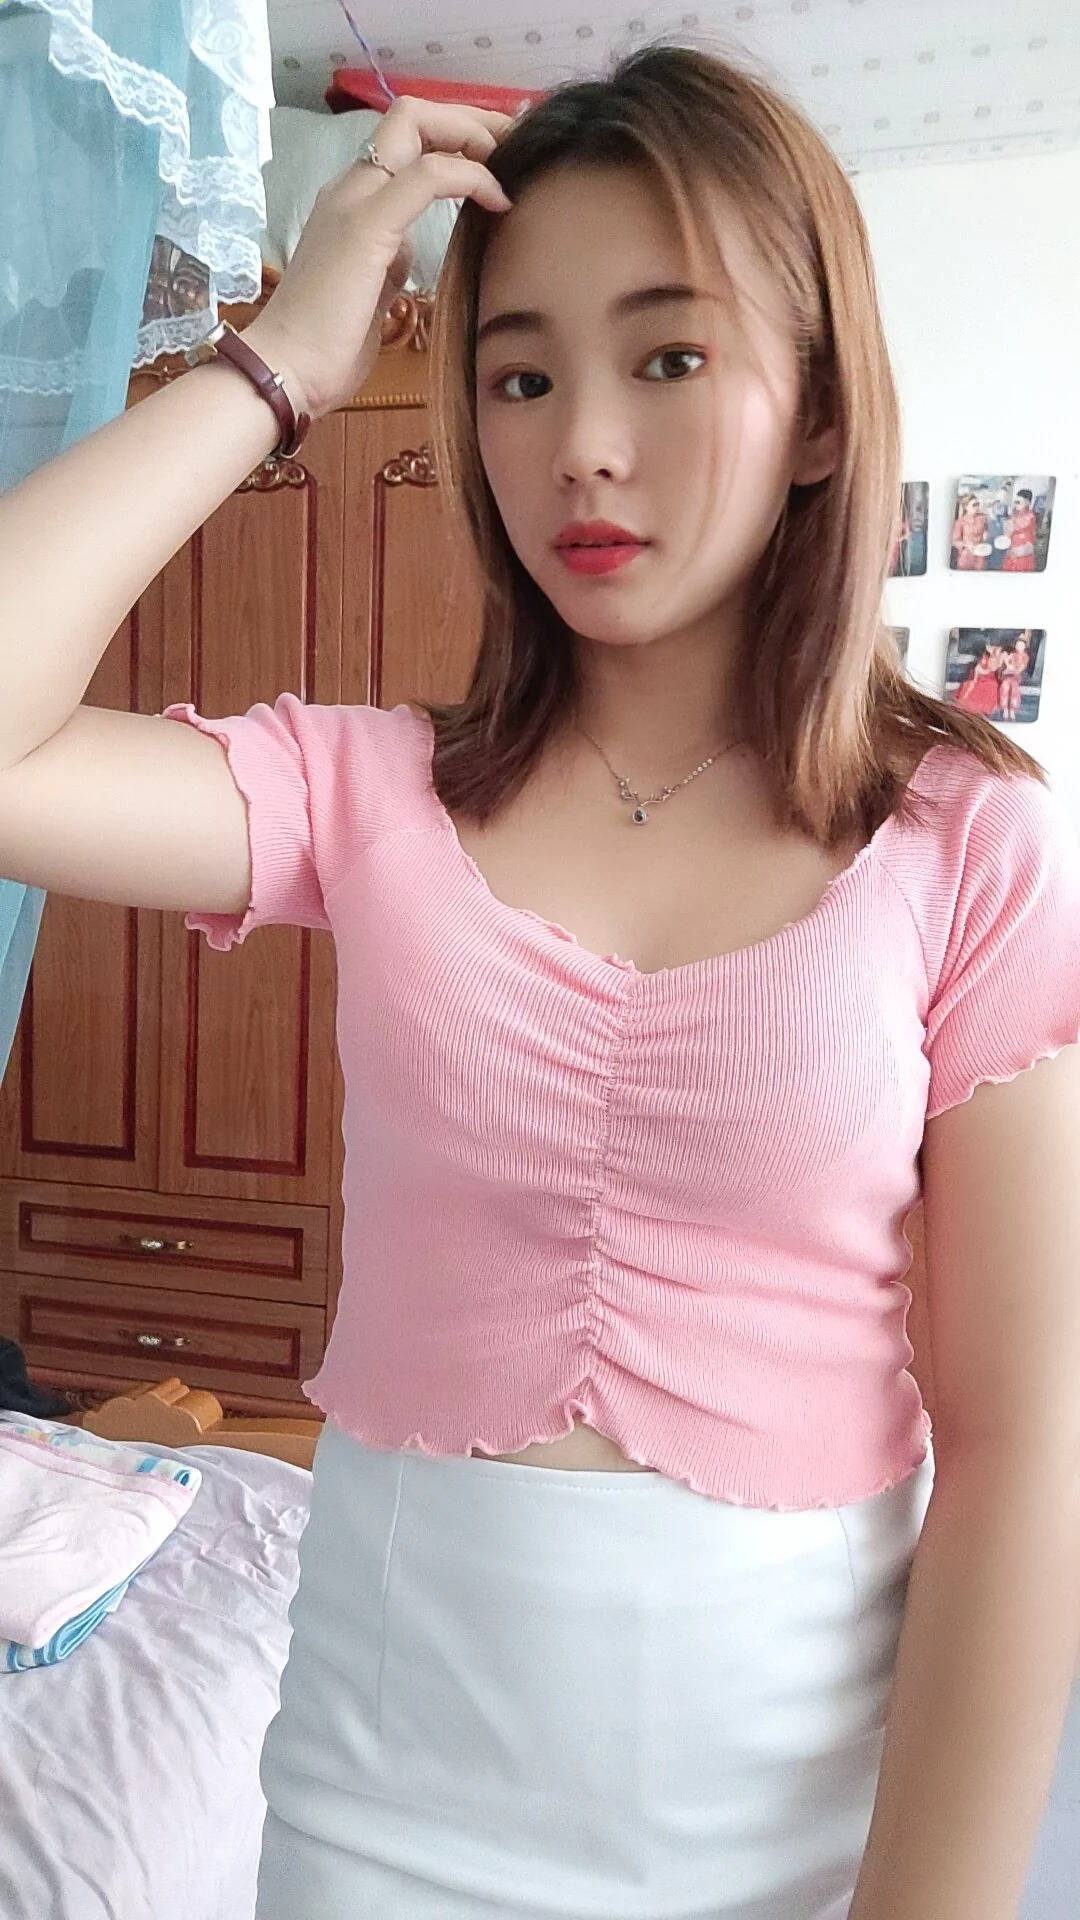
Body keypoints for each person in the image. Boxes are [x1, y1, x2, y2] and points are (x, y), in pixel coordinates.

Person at [0, 43, 1078, 1920]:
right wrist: (285, 363)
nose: (581, 441)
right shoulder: (369, 794)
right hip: (382, 1789)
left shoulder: (968, 842)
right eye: (520, 374)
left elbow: (1022, 1450)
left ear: (821, 412)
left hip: (799, 1802)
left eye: (668, 358)